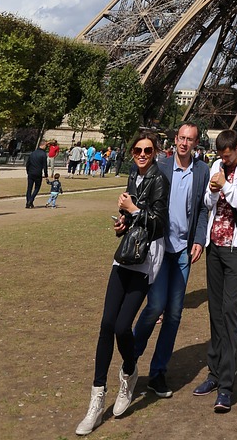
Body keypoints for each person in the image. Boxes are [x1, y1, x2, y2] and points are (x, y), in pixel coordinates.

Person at [76, 130, 168, 435]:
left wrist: (134, 211)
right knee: (105, 325)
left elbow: (159, 223)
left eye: (148, 150)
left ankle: (130, 370)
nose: (142, 154)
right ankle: (96, 399)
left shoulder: (160, 180)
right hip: (125, 255)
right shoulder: (133, 176)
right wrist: (123, 222)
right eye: (138, 150)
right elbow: (131, 217)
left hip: (144, 262)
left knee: (120, 327)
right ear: (132, 153)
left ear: (156, 153)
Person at [131, 122, 209, 399]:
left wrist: (199, 239)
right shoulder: (160, 166)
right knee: (155, 307)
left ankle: (158, 372)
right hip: (159, 246)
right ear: (175, 139)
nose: (185, 143)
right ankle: (131, 360)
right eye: (182, 138)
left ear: (196, 143)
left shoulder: (201, 170)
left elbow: (201, 208)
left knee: (174, 314)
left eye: (190, 139)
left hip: (183, 250)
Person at [192, 129, 237, 413]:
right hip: (214, 247)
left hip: (236, 250)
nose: (224, 160)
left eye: (227, 155)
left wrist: (225, 187)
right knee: (215, 312)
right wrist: (212, 190)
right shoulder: (217, 167)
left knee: (230, 311)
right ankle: (214, 374)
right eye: (221, 156)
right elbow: (209, 205)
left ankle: (227, 387)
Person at [25, 142, 49, 208]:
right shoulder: (43, 154)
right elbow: (45, 166)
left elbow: (28, 163)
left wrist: (28, 171)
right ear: (42, 145)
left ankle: (28, 201)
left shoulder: (32, 153)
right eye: (45, 146)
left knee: (29, 188)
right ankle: (31, 200)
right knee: (37, 188)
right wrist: (46, 175)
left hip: (31, 172)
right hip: (38, 173)